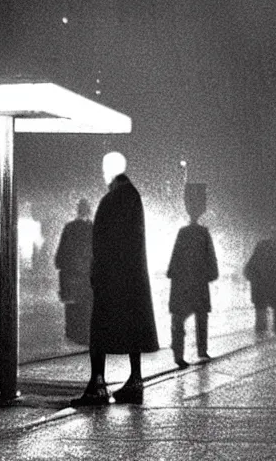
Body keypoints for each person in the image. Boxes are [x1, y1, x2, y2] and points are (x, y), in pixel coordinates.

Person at [70, 152, 159, 407]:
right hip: (131, 279)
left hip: (112, 279)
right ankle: (135, 381)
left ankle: (97, 384)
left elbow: (104, 243)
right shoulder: (133, 197)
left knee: (99, 330)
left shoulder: (113, 199)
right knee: (132, 329)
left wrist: (97, 274)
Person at [167, 183, 218, 369]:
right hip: (198, 282)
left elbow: (175, 259)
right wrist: (210, 274)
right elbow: (211, 259)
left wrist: (174, 275)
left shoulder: (184, 232)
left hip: (182, 283)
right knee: (201, 317)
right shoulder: (204, 233)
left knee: (179, 319)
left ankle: (178, 353)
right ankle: (201, 350)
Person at [55, 198, 94, 345]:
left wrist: (62, 266)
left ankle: (74, 334)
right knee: (87, 306)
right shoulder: (93, 228)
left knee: (72, 307)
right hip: (88, 276)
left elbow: (61, 254)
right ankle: (86, 335)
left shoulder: (70, 228)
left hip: (71, 274)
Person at [243, 227, 276, 335]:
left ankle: (263, 339)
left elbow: (250, 268)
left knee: (262, 318)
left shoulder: (262, 247)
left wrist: (254, 279)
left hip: (263, 287)